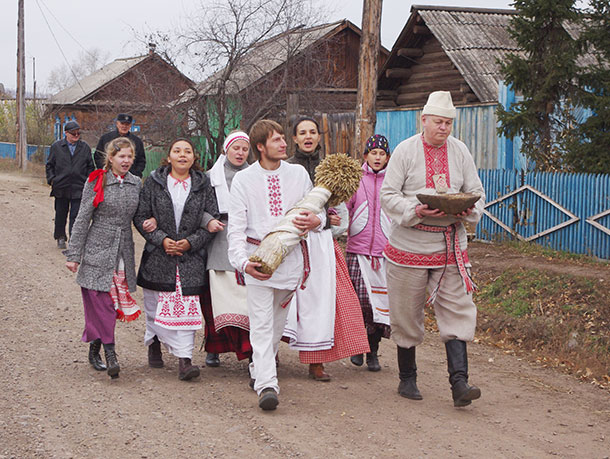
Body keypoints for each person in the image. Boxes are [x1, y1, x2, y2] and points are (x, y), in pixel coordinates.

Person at [380, 91, 486, 407]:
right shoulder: (404, 151)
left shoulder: (460, 151)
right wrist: (416, 210)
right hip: (409, 244)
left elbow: (476, 191)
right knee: (406, 312)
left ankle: (459, 383)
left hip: (450, 244)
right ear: (423, 120)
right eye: (439, 122)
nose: (444, 128)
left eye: (448, 123)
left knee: (458, 308)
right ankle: (407, 378)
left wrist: (468, 209)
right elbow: (388, 195)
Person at [227, 119, 325, 411]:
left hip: (291, 260)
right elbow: (235, 229)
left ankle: (259, 366)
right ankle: (267, 385)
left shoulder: (298, 174)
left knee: (276, 324)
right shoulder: (244, 180)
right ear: (260, 147)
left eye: (284, 138)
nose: (284, 143)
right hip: (258, 259)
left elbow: (316, 214)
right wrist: (243, 263)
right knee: (260, 323)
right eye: (276, 139)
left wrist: (316, 221)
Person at [284, 117, 369, 381]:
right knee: (283, 299)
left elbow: (341, 216)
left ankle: (316, 359)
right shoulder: (287, 169)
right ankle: (268, 355)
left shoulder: (332, 169)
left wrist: (325, 225)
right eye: (302, 133)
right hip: (291, 239)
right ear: (294, 139)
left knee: (324, 300)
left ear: (319, 137)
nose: (308, 137)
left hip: (321, 243)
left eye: (312, 132)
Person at [134, 138, 219, 381]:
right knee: (155, 306)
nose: (182, 155)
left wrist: (191, 242)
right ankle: (155, 344)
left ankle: (185, 361)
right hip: (159, 257)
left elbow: (212, 220)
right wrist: (161, 239)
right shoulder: (154, 181)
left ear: (194, 158)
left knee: (188, 310)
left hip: (190, 258)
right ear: (168, 156)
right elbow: (141, 216)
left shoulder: (203, 185)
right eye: (177, 151)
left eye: (188, 151)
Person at [64, 137, 142, 379]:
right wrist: (74, 254)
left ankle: (95, 346)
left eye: (130, 156)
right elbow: (82, 218)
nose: (126, 161)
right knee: (101, 301)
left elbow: (140, 216)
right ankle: (110, 353)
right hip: (98, 247)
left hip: (123, 250)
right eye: (121, 156)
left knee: (111, 302)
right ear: (111, 158)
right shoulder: (97, 180)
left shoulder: (136, 183)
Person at [201, 131, 252, 366]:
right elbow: (197, 207)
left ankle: (252, 350)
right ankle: (214, 346)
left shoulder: (255, 175)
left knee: (246, 300)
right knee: (219, 298)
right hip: (219, 240)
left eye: (244, 149)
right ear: (226, 150)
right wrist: (207, 220)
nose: (240, 153)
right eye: (236, 148)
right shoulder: (210, 178)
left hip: (248, 239)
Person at [346, 134, 392, 372]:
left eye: (382, 153)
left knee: (378, 306)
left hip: (383, 254)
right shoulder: (356, 180)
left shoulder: (392, 182)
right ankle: (357, 346)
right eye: (373, 153)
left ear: (387, 158)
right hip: (358, 251)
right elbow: (345, 207)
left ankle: (372, 352)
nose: (377, 157)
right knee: (358, 302)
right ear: (365, 156)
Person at [46, 120, 94, 249]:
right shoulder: (57, 147)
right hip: (61, 186)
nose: (76, 135)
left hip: (79, 186)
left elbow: (91, 167)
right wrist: (52, 179)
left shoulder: (85, 148)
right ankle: (60, 236)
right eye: (73, 133)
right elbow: (50, 165)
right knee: (61, 214)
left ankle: (74, 239)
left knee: (76, 215)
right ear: (66, 133)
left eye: (78, 133)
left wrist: (88, 182)